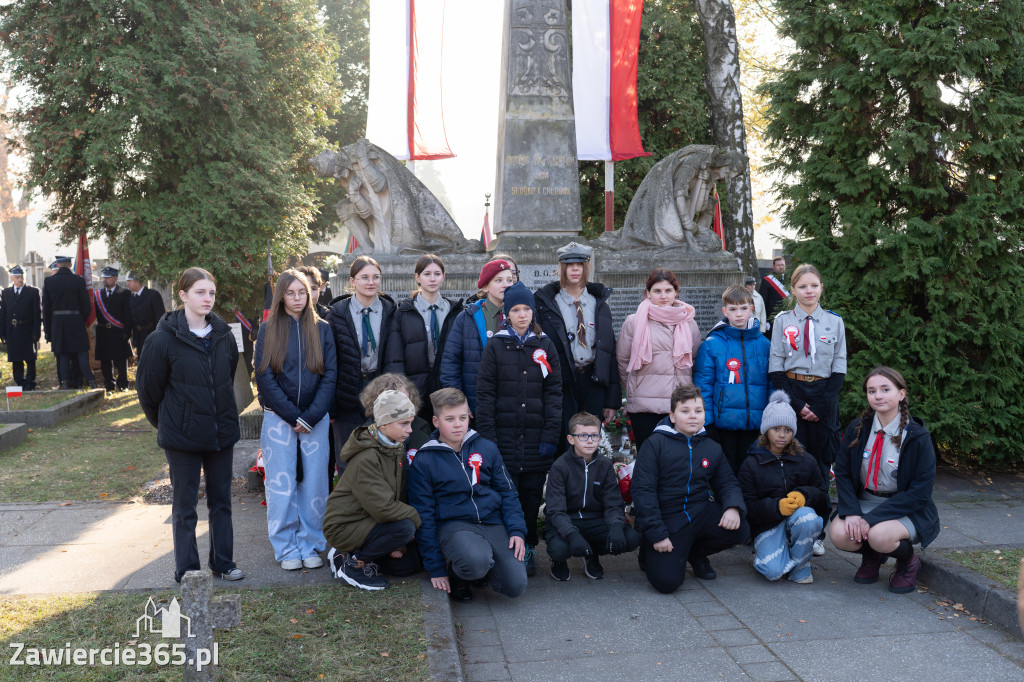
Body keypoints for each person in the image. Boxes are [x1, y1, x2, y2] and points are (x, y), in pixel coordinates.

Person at [136, 267, 243, 582]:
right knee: (185, 506)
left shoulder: (224, 336)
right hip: (181, 438)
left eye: (211, 292)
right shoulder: (161, 340)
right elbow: (149, 392)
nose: (207, 298)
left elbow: (226, 377)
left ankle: (223, 563)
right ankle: (188, 569)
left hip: (221, 434)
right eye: (199, 292)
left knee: (221, 501)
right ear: (182, 295)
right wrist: (171, 424)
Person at [407, 388, 528, 601]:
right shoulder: (425, 459)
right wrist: (436, 568)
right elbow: (423, 515)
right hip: (455, 525)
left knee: (516, 586)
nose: (457, 424)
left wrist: (517, 530)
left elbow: (508, 492)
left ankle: (481, 570)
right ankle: (460, 573)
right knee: (474, 562)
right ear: (436, 422)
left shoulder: (487, 448)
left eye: (463, 417)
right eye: (450, 419)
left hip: (492, 521)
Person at [475, 282, 562, 577]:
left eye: (526, 309)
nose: (522, 314)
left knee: (530, 494)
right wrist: (488, 438)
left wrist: (551, 434)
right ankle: (508, 548)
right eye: (515, 309)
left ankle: (529, 547)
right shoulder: (496, 346)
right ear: (507, 313)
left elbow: (554, 393)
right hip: (505, 439)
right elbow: (485, 394)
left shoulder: (545, 345)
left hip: (537, 438)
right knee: (505, 492)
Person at [829, 367, 939, 593]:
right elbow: (843, 472)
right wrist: (851, 512)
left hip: (904, 507)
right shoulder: (857, 428)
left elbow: (920, 493)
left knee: (878, 535)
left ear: (901, 394)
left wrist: (870, 520)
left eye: (885, 389)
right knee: (840, 535)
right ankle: (872, 555)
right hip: (866, 499)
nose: (878, 396)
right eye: (872, 391)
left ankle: (908, 561)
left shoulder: (917, 436)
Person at [630, 384, 749, 594]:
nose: (693, 416)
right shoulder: (655, 445)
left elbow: (727, 483)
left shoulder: (711, 447)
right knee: (667, 583)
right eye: (685, 411)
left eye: (698, 411)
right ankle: (650, 548)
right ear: (672, 416)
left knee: (740, 529)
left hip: (699, 512)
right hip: (666, 519)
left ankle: (694, 553)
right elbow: (643, 492)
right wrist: (657, 534)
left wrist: (733, 507)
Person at [255, 269, 337, 572]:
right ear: (281, 296)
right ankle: (286, 546)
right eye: (290, 293)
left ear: (310, 294)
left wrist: (311, 415)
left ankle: (311, 543)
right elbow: (264, 376)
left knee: (315, 484)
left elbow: (330, 376)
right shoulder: (269, 329)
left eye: (301, 292)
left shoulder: (323, 328)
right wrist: (291, 415)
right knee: (281, 485)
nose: (297, 298)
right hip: (279, 418)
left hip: (316, 418)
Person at [769, 263, 845, 557]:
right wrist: (798, 406)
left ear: (821, 288)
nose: (808, 291)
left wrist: (821, 405)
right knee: (791, 462)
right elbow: (776, 366)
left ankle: (817, 532)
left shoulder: (834, 322)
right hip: (793, 394)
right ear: (793, 291)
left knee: (822, 468)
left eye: (814, 285)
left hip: (826, 398)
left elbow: (839, 366)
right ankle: (789, 525)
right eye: (802, 286)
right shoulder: (782, 321)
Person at [322, 390, 423, 590]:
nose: (410, 430)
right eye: (404, 424)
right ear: (384, 424)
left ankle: (343, 554)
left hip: (370, 520)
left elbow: (399, 495)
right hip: (344, 525)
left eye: (410, 423)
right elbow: (384, 508)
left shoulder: (395, 447)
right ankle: (352, 567)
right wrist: (415, 519)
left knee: (405, 566)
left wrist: (398, 544)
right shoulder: (367, 457)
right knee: (406, 528)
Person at [738, 391, 829, 584]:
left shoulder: (806, 459)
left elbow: (822, 496)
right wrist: (776, 507)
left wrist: (804, 496)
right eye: (776, 428)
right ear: (766, 430)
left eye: (788, 430)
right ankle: (779, 552)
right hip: (767, 525)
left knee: (808, 518)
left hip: (799, 519)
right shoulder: (751, 462)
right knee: (772, 572)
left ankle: (801, 567)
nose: (782, 435)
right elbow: (747, 506)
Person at [534, 241, 620, 438]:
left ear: (586, 267)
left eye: (580, 264)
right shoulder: (547, 305)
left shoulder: (599, 305)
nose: (575, 269)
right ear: (561, 268)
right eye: (569, 265)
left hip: (592, 382)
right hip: (563, 383)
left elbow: (609, 352)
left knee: (590, 440)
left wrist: (612, 401)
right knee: (566, 439)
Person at [544, 411, 640, 581]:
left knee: (630, 538)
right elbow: (555, 511)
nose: (589, 440)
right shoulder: (560, 467)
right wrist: (572, 534)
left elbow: (613, 503)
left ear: (600, 438)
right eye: (583, 436)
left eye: (594, 436)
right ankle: (558, 561)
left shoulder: (604, 465)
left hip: (595, 519)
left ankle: (591, 553)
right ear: (571, 439)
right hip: (568, 519)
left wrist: (617, 527)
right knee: (560, 549)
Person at [327, 255, 397, 484]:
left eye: (375, 277)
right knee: (348, 459)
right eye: (364, 277)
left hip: (379, 392)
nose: (371, 282)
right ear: (352, 281)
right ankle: (351, 516)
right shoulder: (336, 314)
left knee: (380, 459)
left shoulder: (390, 311)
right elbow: (331, 360)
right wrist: (332, 406)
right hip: (347, 394)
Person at [616, 268, 702, 449]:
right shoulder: (633, 322)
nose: (663, 296)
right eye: (657, 291)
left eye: (668, 290)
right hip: (644, 406)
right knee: (648, 459)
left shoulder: (688, 322)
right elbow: (623, 361)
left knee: (677, 461)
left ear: (676, 292)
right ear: (648, 293)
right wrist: (635, 388)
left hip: (678, 404)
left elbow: (694, 361)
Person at [693, 284, 771, 474]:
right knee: (727, 471)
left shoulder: (764, 344)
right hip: (724, 423)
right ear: (724, 311)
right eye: (733, 309)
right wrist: (708, 421)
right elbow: (703, 386)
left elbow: (771, 383)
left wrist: (771, 418)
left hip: (755, 422)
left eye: (743, 308)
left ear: (751, 309)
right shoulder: (712, 345)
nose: (739, 314)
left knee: (751, 470)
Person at [383, 255, 464, 421]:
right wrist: (402, 391)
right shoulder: (403, 312)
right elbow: (395, 358)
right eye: (427, 274)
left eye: (437, 274)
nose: (432, 279)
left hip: (447, 390)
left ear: (443, 276)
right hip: (414, 391)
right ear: (417, 277)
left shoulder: (456, 312)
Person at [439, 259, 514, 414]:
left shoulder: (522, 315)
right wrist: (459, 403)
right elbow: (450, 363)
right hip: (477, 404)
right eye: (498, 280)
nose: (505, 284)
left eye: (509, 280)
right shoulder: (467, 318)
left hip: (512, 404)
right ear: (485, 286)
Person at [41, 255, 96, 389]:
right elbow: (86, 305)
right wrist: (79, 318)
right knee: (82, 352)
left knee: (63, 354)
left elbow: (46, 310)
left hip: (58, 323)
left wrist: (48, 331)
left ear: (58, 265)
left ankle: (65, 383)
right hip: (76, 320)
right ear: (70, 265)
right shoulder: (78, 280)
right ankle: (91, 381)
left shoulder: (49, 282)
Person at [0, 266, 41, 390]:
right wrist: (2, 333)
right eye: (17, 277)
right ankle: (19, 381)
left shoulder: (32, 292)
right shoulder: (6, 292)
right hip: (12, 330)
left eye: (21, 277)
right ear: (12, 278)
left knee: (30, 358)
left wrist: (36, 333)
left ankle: (30, 381)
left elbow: (37, 314)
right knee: (16, 358)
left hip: (27, 329)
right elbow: (3, 314)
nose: (20, 280)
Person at [93, 266, 133, 391]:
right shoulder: (97, 294)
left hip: (118, 331)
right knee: (105, 360)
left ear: (115, 278)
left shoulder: (124, 293)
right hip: (103, 331)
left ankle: (123, 384)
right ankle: (109, 384)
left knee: (121, 359)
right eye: (104, 277)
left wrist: (127, 331)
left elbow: (128, 314)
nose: (105, 279)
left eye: (108, 277)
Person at [125, 272, 166, 359]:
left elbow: (160, 318)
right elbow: (131, 318)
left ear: (137, 282)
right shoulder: (131, 297)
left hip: (152, 335)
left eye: (129, 281)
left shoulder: (153, 295)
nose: (127, 283)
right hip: (139, 337)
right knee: (142, 362)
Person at [759, 256, 789, 332]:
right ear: (773, 266)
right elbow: (763, 301)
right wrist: (765, 320)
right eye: (778, 265)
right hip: (772, 317)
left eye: (782, 265)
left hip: (788, 315)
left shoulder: (790, 279)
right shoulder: (767, 280)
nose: (781, 267)